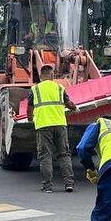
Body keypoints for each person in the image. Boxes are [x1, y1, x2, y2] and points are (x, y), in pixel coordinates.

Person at [30, 64, 78, 193]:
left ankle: (48, 186)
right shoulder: (59, 88)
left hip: (43, 125)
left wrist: (30, 118)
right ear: (52, 75)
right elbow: (69, 103)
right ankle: (69, 184)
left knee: (45, 155)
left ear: (40, 76)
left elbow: (30, 107)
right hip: (60, 124)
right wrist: (75, 109)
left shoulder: (35, 89)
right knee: (64, 154)